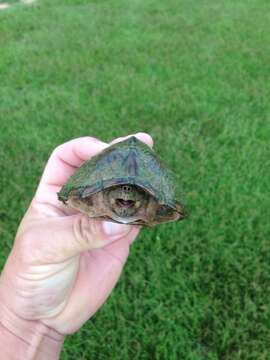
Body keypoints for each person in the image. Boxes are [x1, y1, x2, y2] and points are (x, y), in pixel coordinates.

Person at [0, 133, 153, 359]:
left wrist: (24, 324)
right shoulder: (90, 198)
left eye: (131, 202)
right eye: (118, 199)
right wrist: (25, 322)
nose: (124, 203)